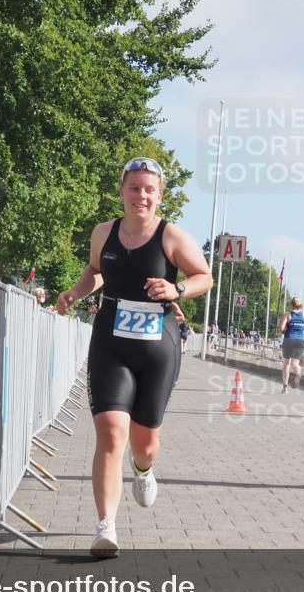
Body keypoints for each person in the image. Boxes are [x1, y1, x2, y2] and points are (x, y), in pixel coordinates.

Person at [57, 157, 213, 557]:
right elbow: (96, 270)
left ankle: (143, 469)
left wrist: (176, 291)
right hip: (110, 343)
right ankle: (105, 526)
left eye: (149, 189)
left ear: (159, 195)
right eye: (134, 187)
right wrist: (76, 292)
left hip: (157, 346)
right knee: (110, 433)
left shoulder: (171, 236)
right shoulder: (103, 232)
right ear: (121, 190)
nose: (141, 195)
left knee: (144, 443)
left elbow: (204, 277)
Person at [277, 297, 304, 392]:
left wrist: (283, 327)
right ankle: (298, 373)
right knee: (295, 363)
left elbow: (281, 328)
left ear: (291, 304)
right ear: (300, 304)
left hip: (289, 339)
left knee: (286, 364)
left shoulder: (287, 315)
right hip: (300, 341)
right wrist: (302, 328)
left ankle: (285, 387)